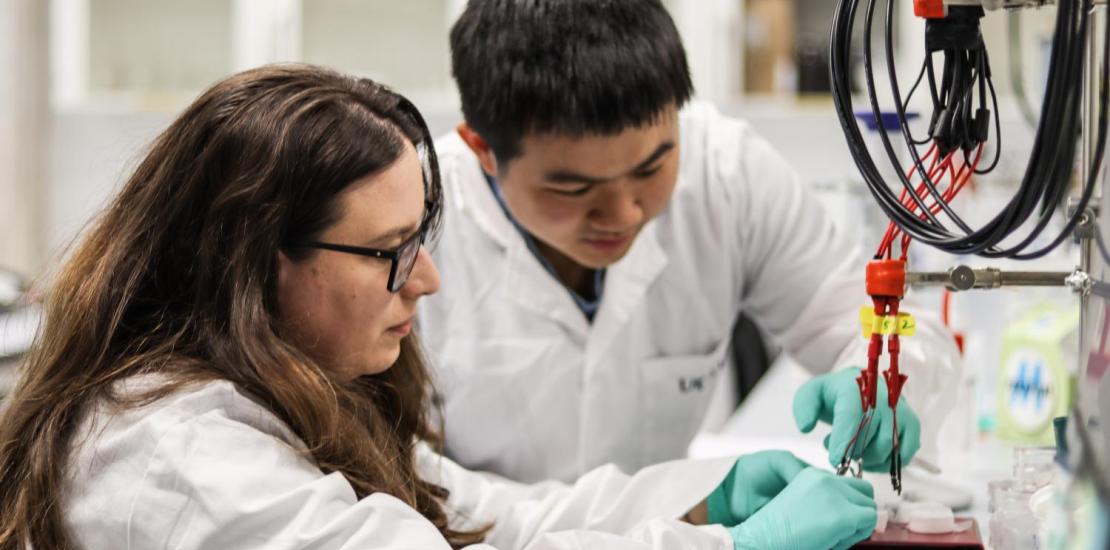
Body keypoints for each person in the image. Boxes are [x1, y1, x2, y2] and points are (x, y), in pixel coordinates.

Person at [0, 65, 877, 550]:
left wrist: (705, 496)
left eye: (420, 240)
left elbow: (478, 512)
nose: (427, 281)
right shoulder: (179, 460)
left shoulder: (284, 394)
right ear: (255, 261)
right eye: (390, 254)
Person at [419, 0, 962, 484]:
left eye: (653, 166)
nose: (624, 213)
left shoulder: (727, 173)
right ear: (482, 149)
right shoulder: (414, 225)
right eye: (575, 187)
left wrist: (881, 382)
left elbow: (871, 318)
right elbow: (383, 479)